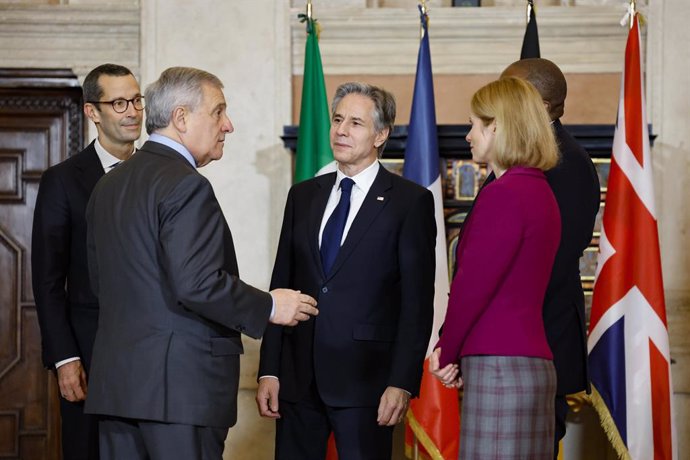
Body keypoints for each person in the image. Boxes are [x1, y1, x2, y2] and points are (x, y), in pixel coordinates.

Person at [83, 66, 318, 460]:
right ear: (181, 117)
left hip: (119, 392)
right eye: (218, 111)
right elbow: (197, 283)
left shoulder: (108, 185)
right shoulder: (185, 184)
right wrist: (273, 305)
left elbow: (99, 283)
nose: (228, 125)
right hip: (179, 394)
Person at [256, 82, 436, 460]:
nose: (340, 130)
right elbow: (281, 285)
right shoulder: (303, 195)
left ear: (381, 134)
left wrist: (401, 382)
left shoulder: (410, 202)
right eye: (338, 119)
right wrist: (269, 370)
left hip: (366, 383)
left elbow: (416, 304)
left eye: (355, 122)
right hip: (297, 379)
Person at [430, 77, 561, 459]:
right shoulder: (541, 192)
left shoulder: (503, 195)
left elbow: (474, 287)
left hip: (500, 369)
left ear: (498, 126)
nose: (468, 135)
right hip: (532, 365)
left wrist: (446, 350)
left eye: (475, 124)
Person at [31, 63, 143, 460]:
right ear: (92, 111)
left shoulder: (162, 176)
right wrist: (65, 357)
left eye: (136, 100)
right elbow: (47, 281)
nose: (132, 111)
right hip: (90, 358)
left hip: (153, 360)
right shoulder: (62, 181)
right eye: (118, 103)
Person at [501, 58, 600, 457]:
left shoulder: (568, 164)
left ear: (541, 106)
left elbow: (550, 261)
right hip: (512, 343)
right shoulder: (524, 154)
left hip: (539, 341)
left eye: (510, 94)